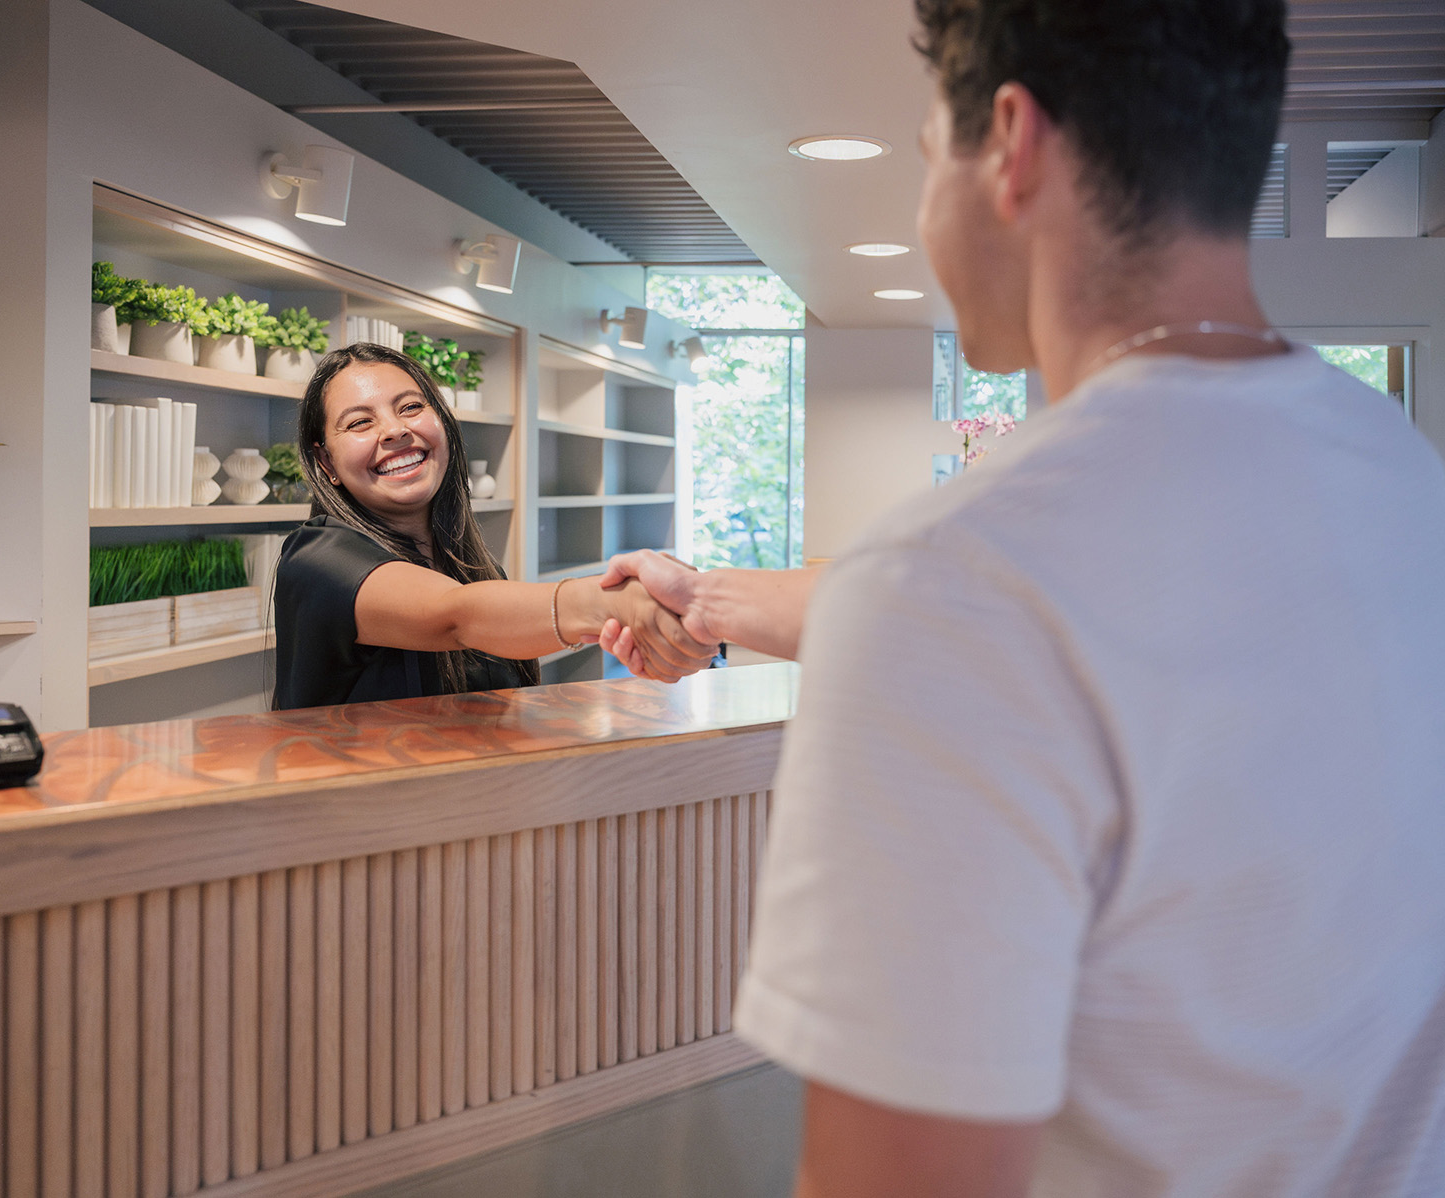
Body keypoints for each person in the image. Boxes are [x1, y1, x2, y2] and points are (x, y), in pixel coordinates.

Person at [604, 1, 1445, 1194]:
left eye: (918, 163)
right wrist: (713, 600)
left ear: (1010, 143)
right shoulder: (1403, 482)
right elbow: (1083, 629)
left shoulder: (961, 587)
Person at [271, 342, 714, 709]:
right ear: (326, 462)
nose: (394, 430)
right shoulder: (317, 558)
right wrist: (614, 603)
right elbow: (454, 615)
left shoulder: (469, 565)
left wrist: (633, 625)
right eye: (360, 422)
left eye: (410, 407)